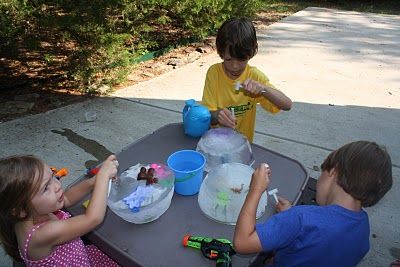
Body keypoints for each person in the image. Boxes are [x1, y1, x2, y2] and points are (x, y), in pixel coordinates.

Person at [234, 141, 393, 266]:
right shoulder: (363, 226)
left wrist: (256, 189)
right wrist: (289, 217)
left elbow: (242, 243)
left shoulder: (300, 218)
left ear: (332, 172)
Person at [0, 154, 120, 266]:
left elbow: (66, 198)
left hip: (79, 255)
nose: (57, 185)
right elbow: (92, 219)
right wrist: (103, 178)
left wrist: (93, 182)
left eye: (53, 176)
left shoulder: (35, 211)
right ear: (20, 210)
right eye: (46, 188)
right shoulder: (42, 234)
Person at [201, 17, 292, 142]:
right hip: (217, 143)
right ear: (220, 52)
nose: (234, 66)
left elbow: (287, 104)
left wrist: (263, 89)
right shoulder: (214, 73)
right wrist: (217, 115)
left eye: (242, 60)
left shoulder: (254, 76)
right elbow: (205, 116)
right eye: (228, 59)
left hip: (243, 144)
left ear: (252, 53)